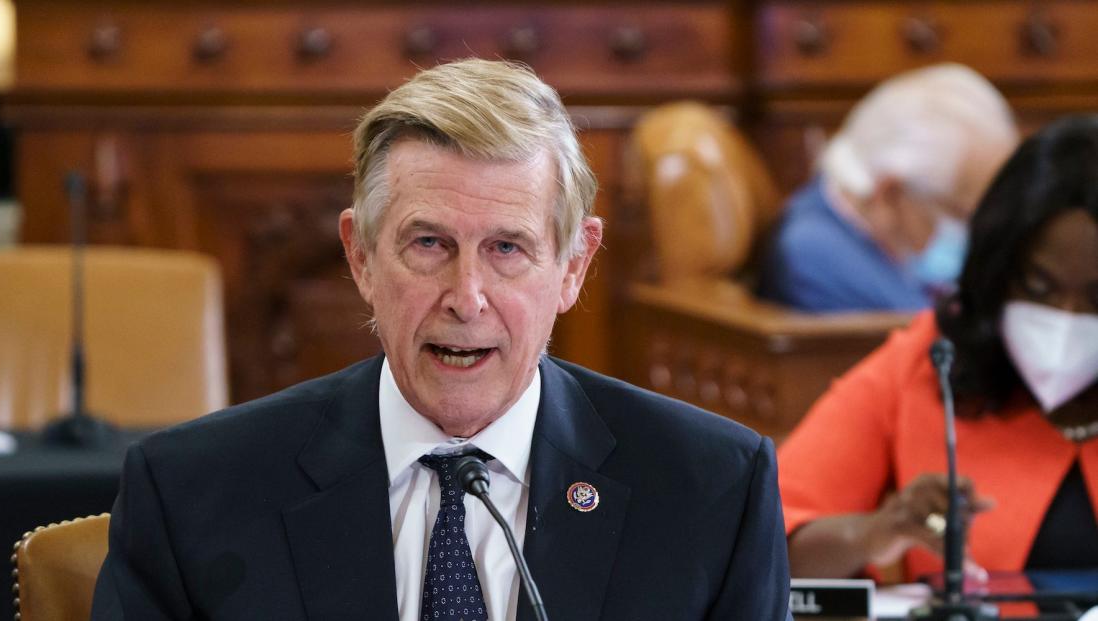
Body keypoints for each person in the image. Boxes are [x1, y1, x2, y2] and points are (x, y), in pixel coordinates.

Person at [90, 59, 790, 620]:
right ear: (361, 256)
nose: (467, 296)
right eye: (429, 243)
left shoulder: (711, 490)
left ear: (574, 265)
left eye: (508, 248)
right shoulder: (191, 492)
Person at [777, 115, 1098, 582]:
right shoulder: (931, 359)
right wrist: (875, 533)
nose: (1065, 317)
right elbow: (768, 538)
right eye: (1038, 286)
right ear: (995, 272)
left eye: (1097, 297)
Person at [759, 64, 1018, 312]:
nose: (973, 236)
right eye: (963, 216)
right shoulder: (813, 254)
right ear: (890, 195)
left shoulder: (884, 242)